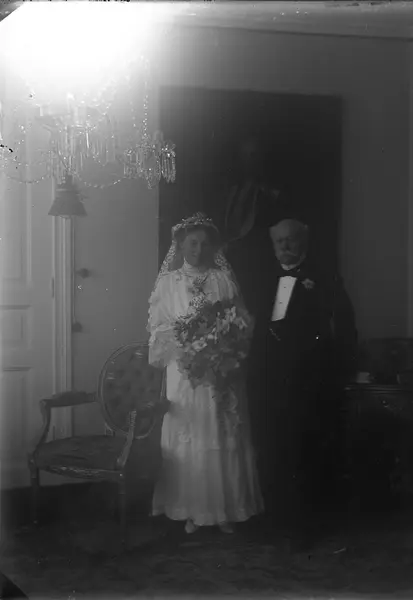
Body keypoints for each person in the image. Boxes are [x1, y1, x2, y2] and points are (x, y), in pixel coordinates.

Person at [147, 212, 264, 535]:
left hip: (220, 369)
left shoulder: (222, 279)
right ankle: (191, 508)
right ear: (181, 245)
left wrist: (222, 345)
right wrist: (187, 341)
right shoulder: (169, 283)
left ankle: (225, 510)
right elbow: (158, 328)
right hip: (185, 370)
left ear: (212, 247)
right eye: (192, 243)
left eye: (203, 244)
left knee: (221, 431)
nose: (198, 250)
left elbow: (239, 321)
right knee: (193, 433)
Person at [248, 215, 358, 543]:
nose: (284, 246)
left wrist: (340, 370)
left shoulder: (324, 277)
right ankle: (276, 520)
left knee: (305, 450)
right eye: (278, 241)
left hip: (310, 381)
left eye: (290, 239)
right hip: (270, 380)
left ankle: (305, 525)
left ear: (303, 241)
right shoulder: (263, 278)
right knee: (273, 447)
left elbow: (345, 326)